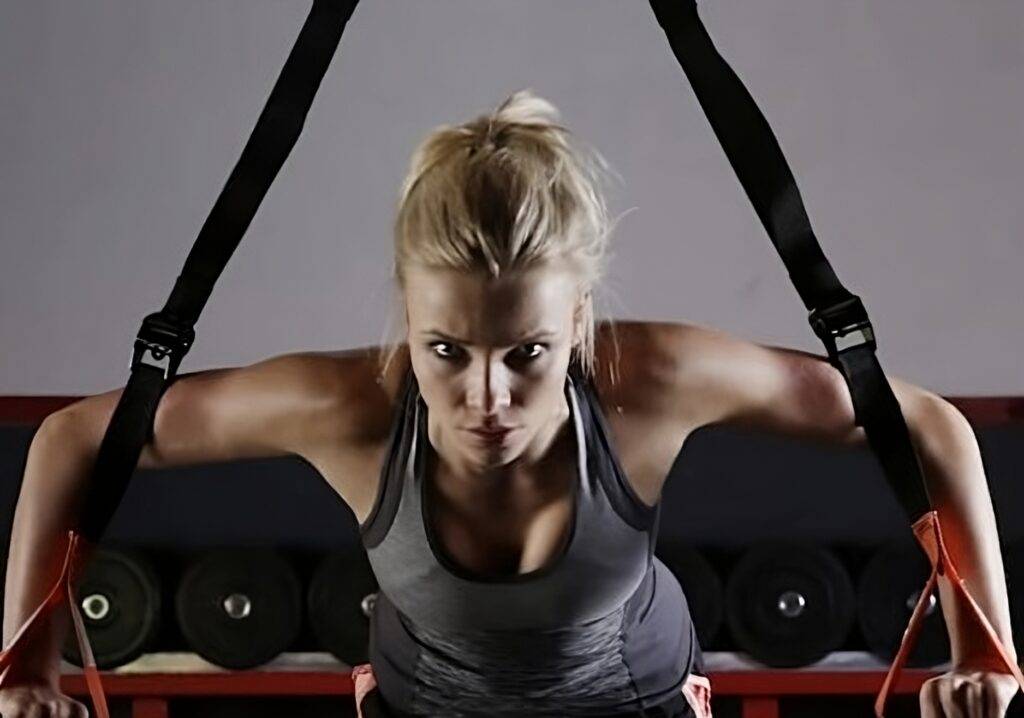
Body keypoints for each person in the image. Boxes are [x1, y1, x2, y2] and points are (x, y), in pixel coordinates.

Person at [2, 89, 1017, 717]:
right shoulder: (351, 407)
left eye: (526, 352)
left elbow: (921, 425)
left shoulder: (647, 383)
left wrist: (986, 649)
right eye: (446, 349)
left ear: (578, 318)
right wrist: (28, 666)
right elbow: (72, 439)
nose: (485, 394)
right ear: (407, 311)